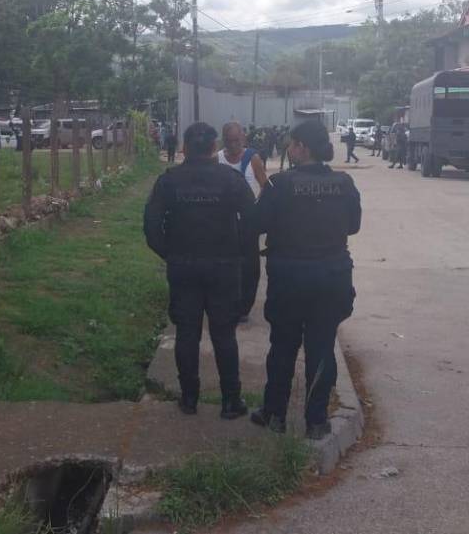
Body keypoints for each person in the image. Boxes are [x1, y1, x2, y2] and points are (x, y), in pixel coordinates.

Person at [249, 120, 361, 440]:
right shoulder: (344, 182)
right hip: (332, 276)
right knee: (322, 347)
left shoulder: (279, 185)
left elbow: (255, 224)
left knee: (283, 347)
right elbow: (353, 226)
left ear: (302, 148)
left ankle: (274, 415)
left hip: (289, 278)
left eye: (292, 143)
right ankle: (316, 421)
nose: (288, 148)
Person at [143, 122, 253, 420]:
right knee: (224, 335)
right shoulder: (230, 180)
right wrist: (237, 253)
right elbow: (253, 221)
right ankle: (231, 401)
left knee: (187, 334)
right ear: (214, 147)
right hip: (224, 267)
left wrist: (171, 254)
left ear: (186, 148)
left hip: (184, 267)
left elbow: (151, 227)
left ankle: (189, 398)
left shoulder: (169, 181)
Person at [219, 122, 269, 323]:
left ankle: (244, 307)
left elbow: (265, 185)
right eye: (229, 141)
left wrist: (256, 206)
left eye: (237, 140)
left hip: (248, 221)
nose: (233, 145)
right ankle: (225, 301)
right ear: (224, 140)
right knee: (226, 263)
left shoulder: (253, 159)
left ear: (243, 139)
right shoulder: (218, 159)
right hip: (224, 221)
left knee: (249, 265)